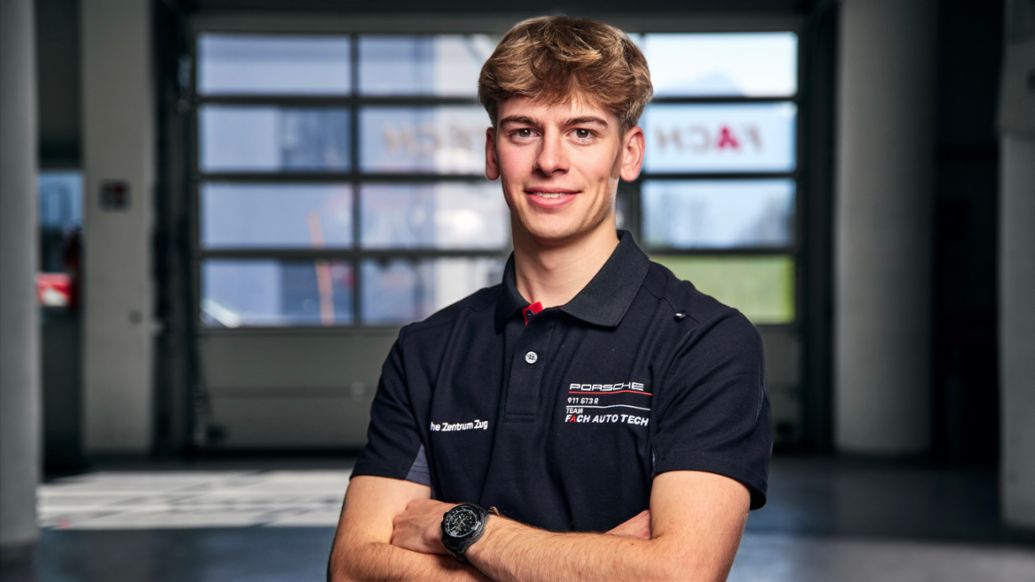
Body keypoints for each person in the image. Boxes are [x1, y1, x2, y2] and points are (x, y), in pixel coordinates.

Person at [328, 15, 771, 581]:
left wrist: (463, 529)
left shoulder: (706, 343)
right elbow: (352, 568)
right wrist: (598, 565)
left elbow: (679, 575)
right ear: (493, 153)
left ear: (628, 154)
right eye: (523, 131)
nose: (550, 161)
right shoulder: (428, 350)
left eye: (583, 132)